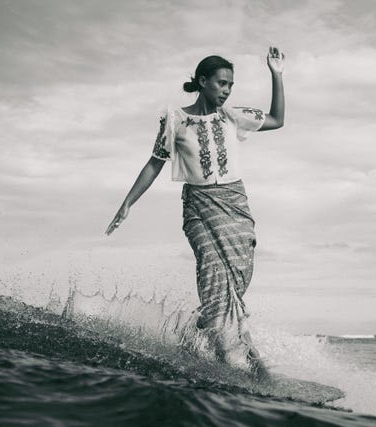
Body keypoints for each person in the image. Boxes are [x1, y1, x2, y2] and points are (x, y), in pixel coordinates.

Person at [106, 47, 285, 379]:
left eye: (231, 84)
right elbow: (154, 164)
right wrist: (128, 202)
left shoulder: (232, 116)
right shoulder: (175, 120)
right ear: (203, 82)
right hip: (199, 209)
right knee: (214, 276)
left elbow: (277, 119)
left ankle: (203, 332)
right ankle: (246, 359)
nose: (227, 90)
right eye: (221, 83)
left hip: (235, 206)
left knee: (235, 281)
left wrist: (276, 74)